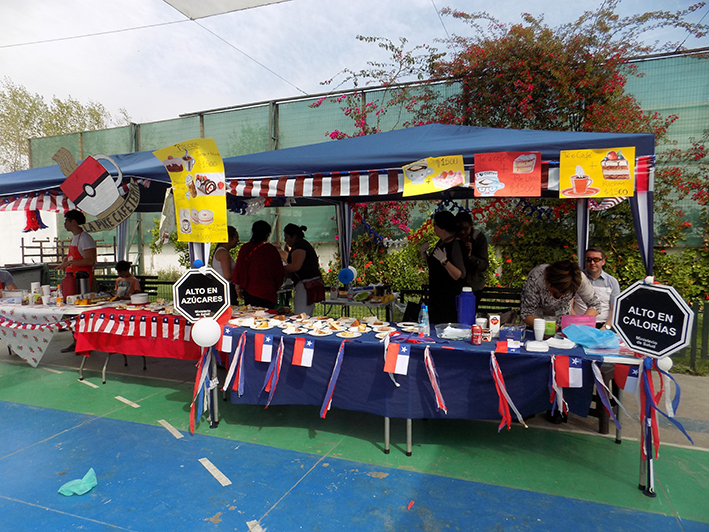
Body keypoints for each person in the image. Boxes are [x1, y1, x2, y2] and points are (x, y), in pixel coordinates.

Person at [521, 259, 601, 329]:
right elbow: (526, 313)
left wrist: (580, 325)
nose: (557, 296)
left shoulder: (579, 279)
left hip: (563, 325)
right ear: (547, 280)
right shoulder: (536, 278)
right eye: (555, 291)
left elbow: (595, 305)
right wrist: (543, 327)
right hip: (534, 325)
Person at [420, 211, 467, 324]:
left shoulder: (455, 244)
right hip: (437, 295)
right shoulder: (441, 242)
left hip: (448, 299)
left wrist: (445, 261)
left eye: (435, 224)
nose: (433, 227)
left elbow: (460, 275)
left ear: (442, 227)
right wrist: (424, 255)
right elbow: (436, 267)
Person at [234, 221, 284, 309]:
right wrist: (275, 286)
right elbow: (278, 271)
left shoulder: (246, 248)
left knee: (252, 317)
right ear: (267, 234)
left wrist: (238, 287)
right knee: (269, 318)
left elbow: (240, 268)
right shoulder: (271, 250)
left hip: (250, 290)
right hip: (269, 291)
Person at [572, 247, 621, 330]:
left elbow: (615, 309)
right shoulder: (575, 279)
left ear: (603, 262)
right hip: (577, 326)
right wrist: (577, 323)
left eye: (596, 259)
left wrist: (606, 327)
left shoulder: (612, 282)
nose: (592, 262)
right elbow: (568, 304)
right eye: (589, 259)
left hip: (603, 327)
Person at [279, 223, 323, 315]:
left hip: (305, 284)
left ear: (294, 236)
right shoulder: (302, 244)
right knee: (305, 313)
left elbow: (295, 266)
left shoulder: (300, 247)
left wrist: (278, 268)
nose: (285, 240)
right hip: (308, 283)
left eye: (287, 237)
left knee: (301, 314)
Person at [55, 210, 97, 297]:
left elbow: (90, 261)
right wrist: (65, 261)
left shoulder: (85, 238)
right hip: (72, 279)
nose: (64, 223)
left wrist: (70, 262)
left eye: (66, 220)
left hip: (83, 280)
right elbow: (72, 256)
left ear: (74, 222)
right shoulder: (74, 237)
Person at [455, 211, 489, 302]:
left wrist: (471, 256)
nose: (462, 232)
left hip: (474, 287)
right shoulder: (454, 238)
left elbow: (484, 265)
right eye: (459, 229)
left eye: (465, 228)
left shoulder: (478, 238)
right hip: (456, 286)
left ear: (471, 225)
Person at [212, 226, 239, 303]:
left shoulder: (220, 252)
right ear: (229, 238)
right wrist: (240, 272)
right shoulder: (223, 253)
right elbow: (227, 275)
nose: (237, 241)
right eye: (236, 238)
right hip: (226, 289)